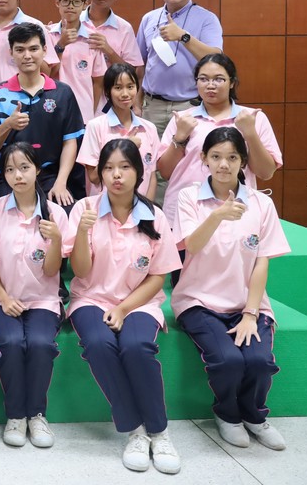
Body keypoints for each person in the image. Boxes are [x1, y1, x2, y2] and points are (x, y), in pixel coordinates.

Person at [66, 139, 182, 474]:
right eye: (109, 168)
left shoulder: (154, 215)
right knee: (99, 344)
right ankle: (135, 429)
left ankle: (159, 431)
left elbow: (158, 277)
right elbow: (80, 272)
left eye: (125, 167)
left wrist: (122, 309)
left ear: (139, 172)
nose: (116, 175)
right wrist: (83, 232)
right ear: (100, 174)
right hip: (90, 298)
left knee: (136, 346)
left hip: (139, 302)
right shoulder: (85, 208)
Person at [173, 127, 290, 452]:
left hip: (246, 303)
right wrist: (218, 216)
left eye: (232, 157)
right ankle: (227, 415)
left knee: (259, 361)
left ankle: (254, 416)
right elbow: (190, 245)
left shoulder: (261, 204)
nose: (223, 164)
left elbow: (262, 261)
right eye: (216, 157)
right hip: (198, 301)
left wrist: (251, 313)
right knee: (228, 361)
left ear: (243, 162)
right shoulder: (188, 198)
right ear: (204, 159)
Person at [0, 143, 68, 449]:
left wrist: (56, 241)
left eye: (24, 168)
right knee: (11, 342)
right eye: (10, 169)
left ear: (38, 170)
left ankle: (37, 415)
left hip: (42, 299)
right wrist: (3, 297)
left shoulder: (55, 214)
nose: (18, 175)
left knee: (41, 344)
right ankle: (16, 416)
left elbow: (52, 270)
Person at [156, 53, 281, 237]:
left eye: (219, 79)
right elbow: (165, 172)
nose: (210, 85)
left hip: (236, 210)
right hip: (186, 211)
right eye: (203, 79)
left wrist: (250, 134)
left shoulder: (252, 118)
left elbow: (266, 172)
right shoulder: (182, 119)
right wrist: (180, 137)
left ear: (232, 82)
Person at [0, 23, 85, 204]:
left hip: (50, 177)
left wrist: (61, 183)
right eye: (20, 50)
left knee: (65, 212)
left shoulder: (62, 93)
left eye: (33, 49)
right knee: (8, 218)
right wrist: (8, 125)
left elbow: (70, 142)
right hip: (8, 178)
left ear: (44, 50)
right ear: (11, 53)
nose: (27, 56)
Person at [136, 0, 224, 144]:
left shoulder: (207, 18)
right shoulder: (149, 19)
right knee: (152, 157)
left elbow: (216, 60)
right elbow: (140, 64)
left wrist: (183, 37)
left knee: (189, 157)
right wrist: (137, 102)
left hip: (190, 106)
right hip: (152, 106)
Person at [78, 63, 161, 201]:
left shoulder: (149, 128)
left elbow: (151, 176)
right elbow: (93, 177)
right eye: (118, 88)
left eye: (130, 87)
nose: (125, 94)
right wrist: (126, 145)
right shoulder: (95, 126)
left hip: (140, 207)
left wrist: (148, 208)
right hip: (105, 207)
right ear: (107, 92)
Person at [47, 0, 105, 122]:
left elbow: (98, 81)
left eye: (77, 1)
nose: (70, 6)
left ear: (85, 4)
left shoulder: (92, 39)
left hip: (82, 114)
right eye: (65, 0)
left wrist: (90, 112)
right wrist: (61, 45)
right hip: (51, 110)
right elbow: (45, 75)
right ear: (57, 2)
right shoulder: (47, 35)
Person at [82, 0, 144, 77]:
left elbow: (131, 72)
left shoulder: (124, 28)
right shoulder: (74, 21)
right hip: (77, 87)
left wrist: (108, 51)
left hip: (111, 88)